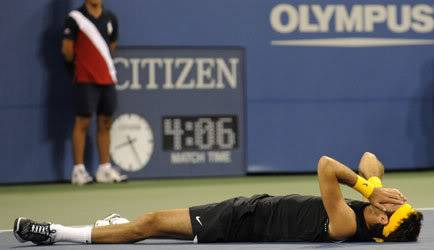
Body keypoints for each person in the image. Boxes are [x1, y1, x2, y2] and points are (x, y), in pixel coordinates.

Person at [13, 152, 422, 245]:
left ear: (383, 220)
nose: (386, 202)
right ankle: (112, 225)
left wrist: (370, 189)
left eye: (391, 209)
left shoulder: (347, 223)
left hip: (238, 222)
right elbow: (370, 158)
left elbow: (326, 166)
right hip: (249, 208)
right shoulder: (372, 212)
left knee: (149, 224)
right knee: (147, 221)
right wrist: (379, 186)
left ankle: (53, 233)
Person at [62, 0, 126, 185]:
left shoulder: (111, 18)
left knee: (105, 122)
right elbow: (67, 50)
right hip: (84, 78)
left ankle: (104, 169)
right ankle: (79, 171)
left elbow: (111, 46)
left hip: (107, 78)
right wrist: (83, 66)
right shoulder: (75, 18)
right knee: (83, 121)